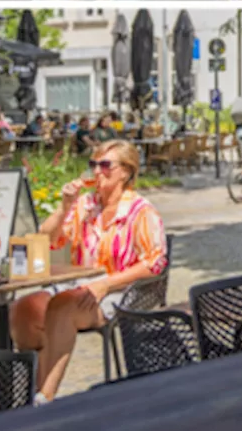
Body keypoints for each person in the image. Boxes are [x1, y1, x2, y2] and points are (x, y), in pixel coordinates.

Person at [9, 141, 166, 402]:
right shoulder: (85, 204)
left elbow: (154, 263)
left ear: (125, 172)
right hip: (78, 284)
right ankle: (31, 386)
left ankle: (42, 399)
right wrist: (63, 207)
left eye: (106, 165)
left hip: (121, 290)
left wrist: (106, 284)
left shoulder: (141, 211)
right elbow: (47, 240)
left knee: (62, 306)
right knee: (24, 307)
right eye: (93, 165)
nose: (97, 172)